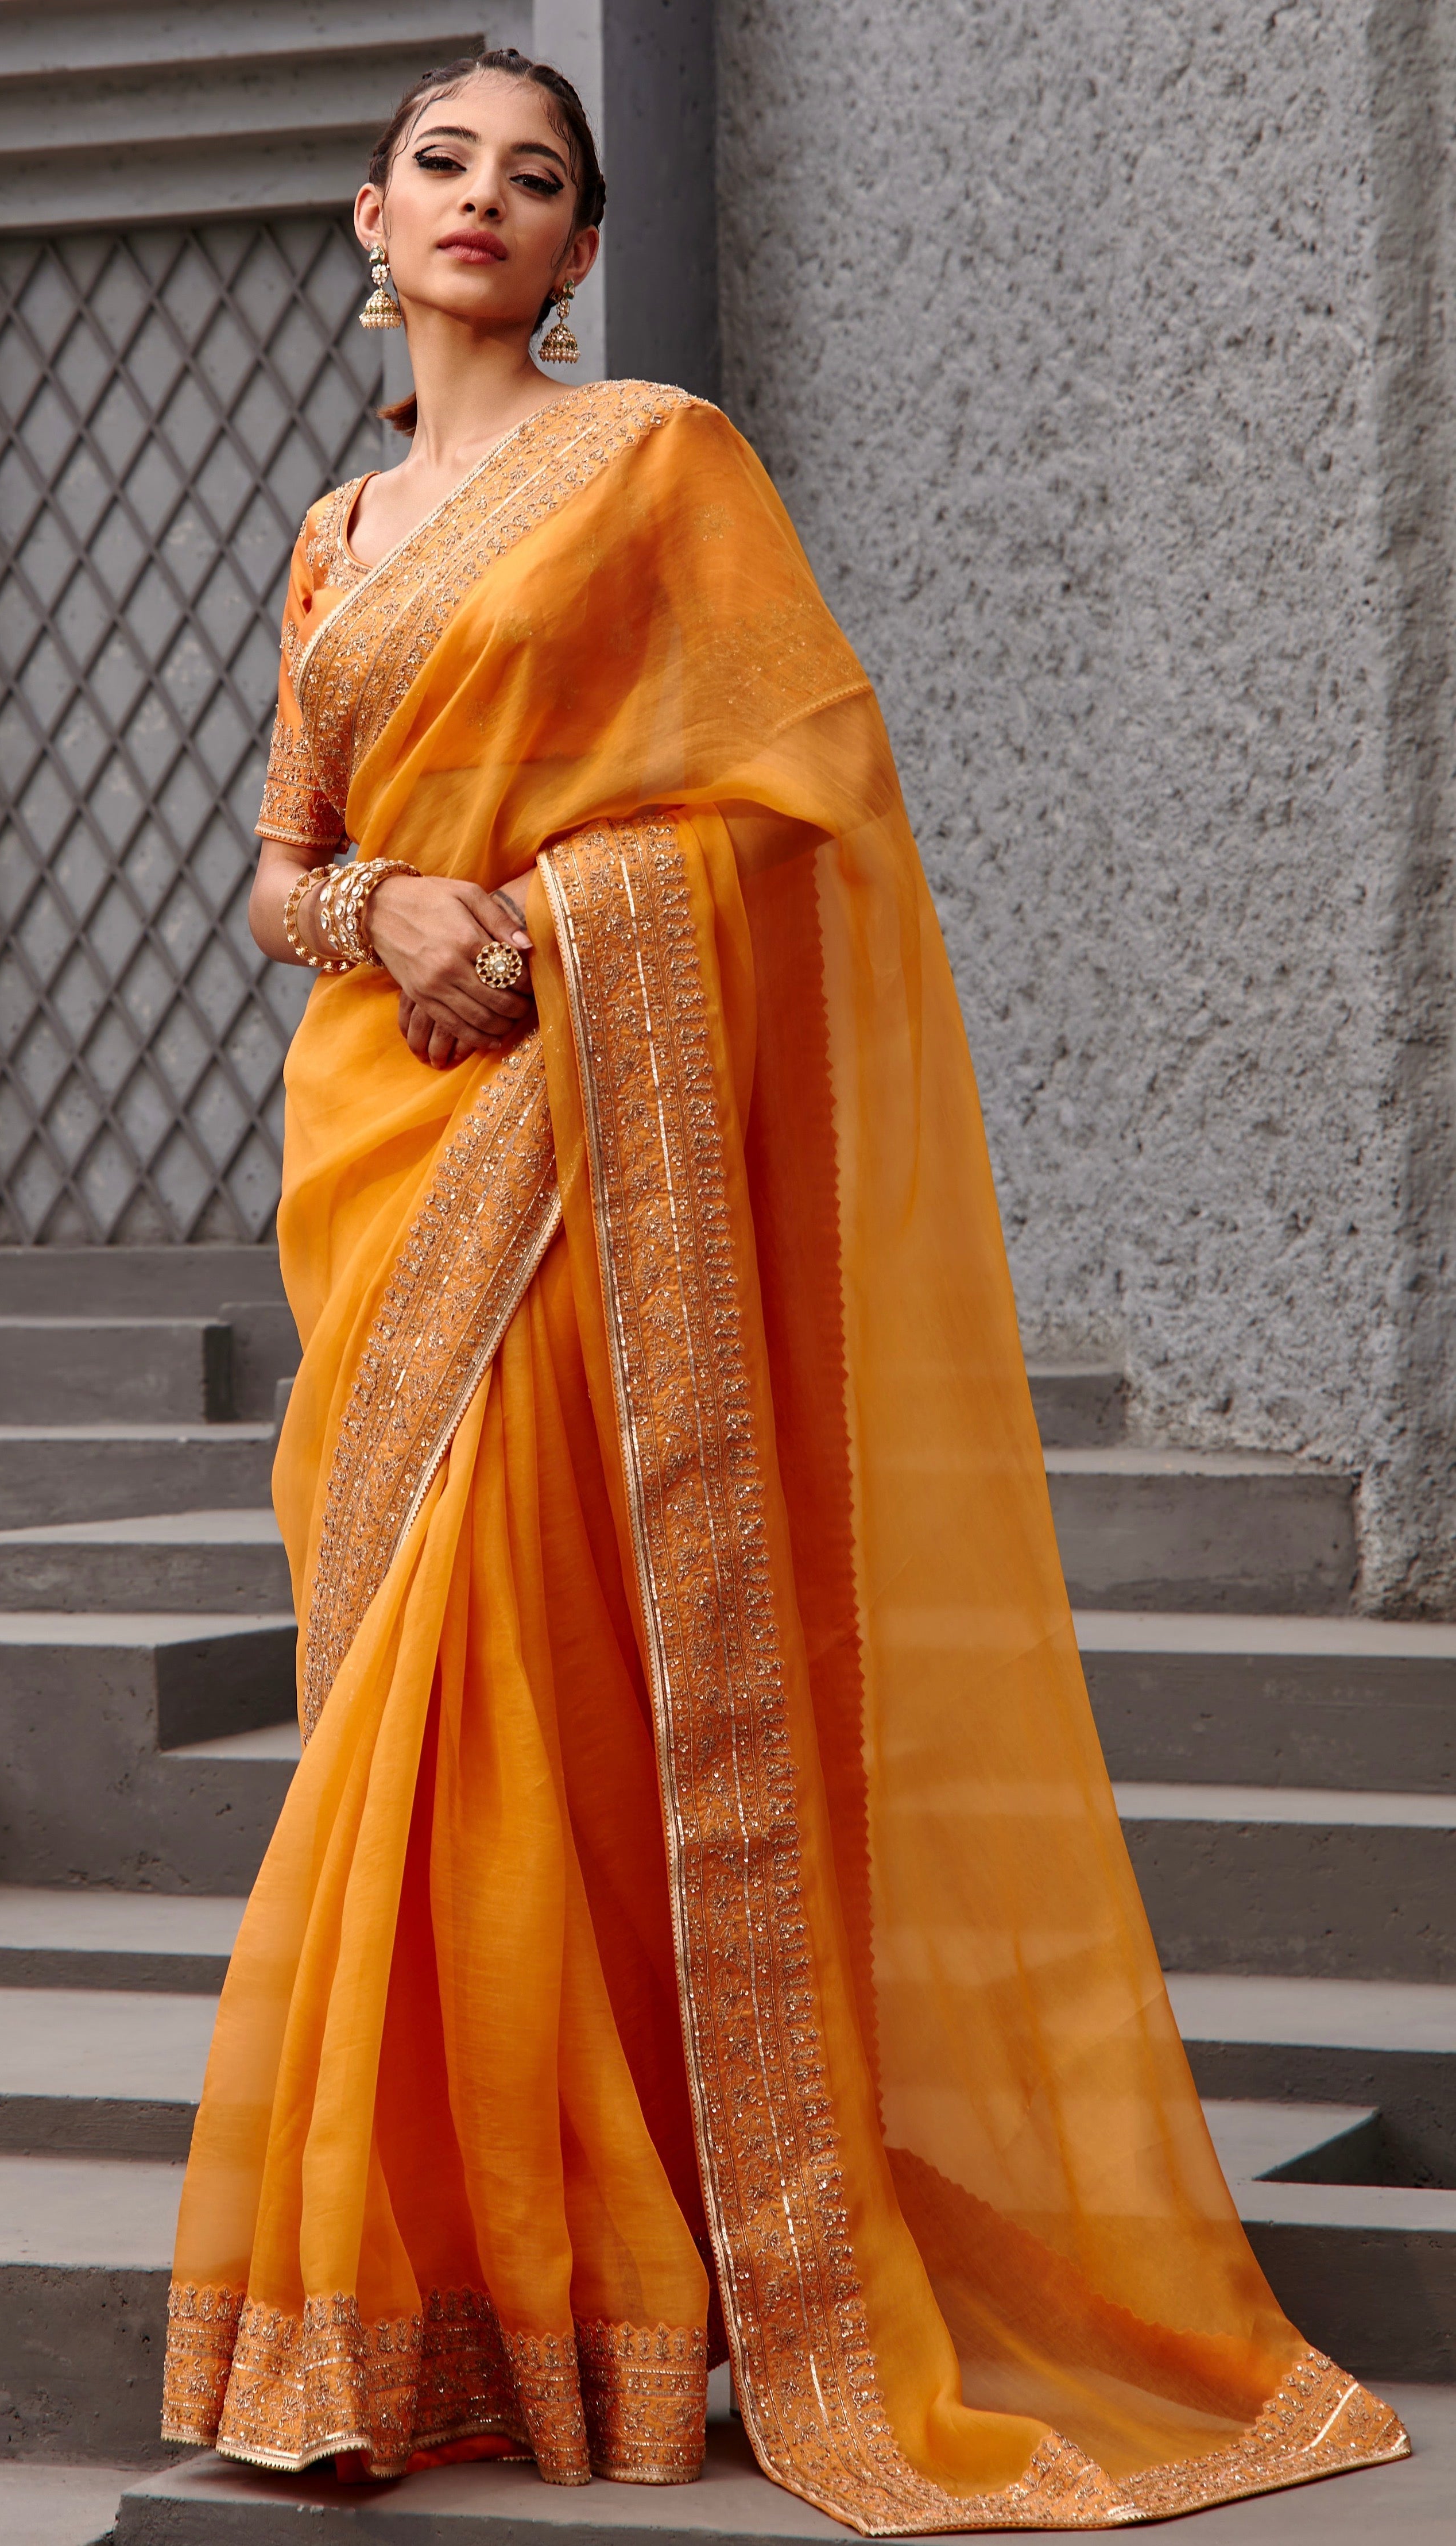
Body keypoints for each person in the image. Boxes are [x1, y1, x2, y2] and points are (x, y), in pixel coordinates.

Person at [160, 48, 1408, 2531]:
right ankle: (458, 2298)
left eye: (534, 176)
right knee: (411, 1664)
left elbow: (800, 798)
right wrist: (383, 910)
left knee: (490, 1678)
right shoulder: (333, 536)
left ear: (582, 244)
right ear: (367, 218)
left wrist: (548, 919)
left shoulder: (656, 464)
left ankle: (506, 2300)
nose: (483, 200)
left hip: (565, 1131)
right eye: (442, 165)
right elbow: (283, 861)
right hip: (383, 1150)